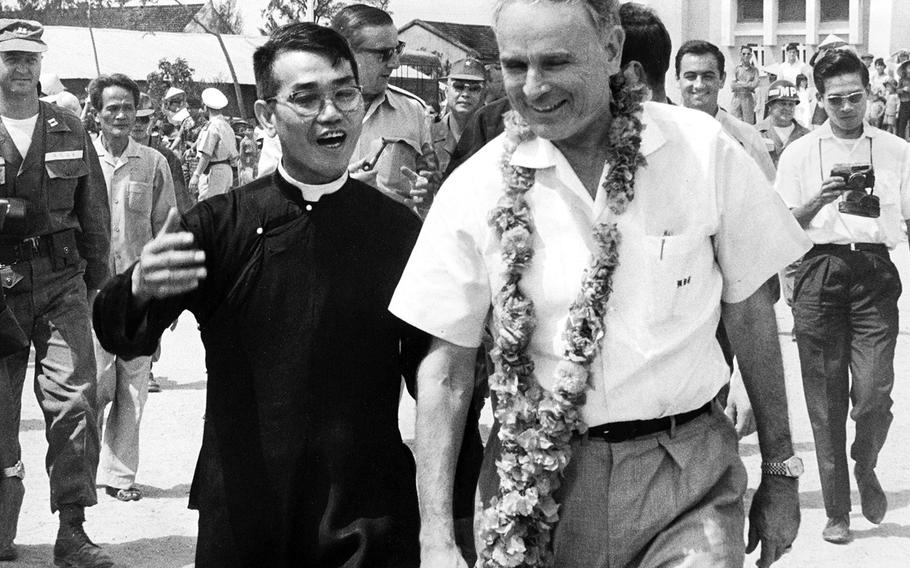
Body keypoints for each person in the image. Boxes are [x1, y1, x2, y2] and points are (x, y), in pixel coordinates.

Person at [391, 2, 810, 568]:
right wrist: (436, 536)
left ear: (612, 50)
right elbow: (446, 369)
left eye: (556, 62)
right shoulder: (475, 187)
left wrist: (781, 471)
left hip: (686, 480)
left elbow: (752, 311)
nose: (534, 88)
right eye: (516, 66)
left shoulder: (701, 150)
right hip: (538, 488)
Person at [93, 22, 428, 567]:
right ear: (266, 115)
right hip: (246, 506)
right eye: (306, 97)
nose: (332, 112)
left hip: (364, 514)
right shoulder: (220, 224)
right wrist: (136, 287)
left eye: (345, 93)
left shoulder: (398, 232)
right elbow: (122, 334)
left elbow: (437, 376)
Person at [775, 48, 910, 545]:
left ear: (869, 94)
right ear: (819, 98)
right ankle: (837, 511)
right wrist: (822, 198)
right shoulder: (798, 154)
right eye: (835, 100)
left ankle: (866, 464)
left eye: (855, 97)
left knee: (874, 392)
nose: (846, 107)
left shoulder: (897, 152)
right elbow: (782, 224)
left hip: (874, 272)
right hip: (820, 270)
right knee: (825, 401)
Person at [0, 19, 113, 567]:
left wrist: (99, 291)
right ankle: (1, 527)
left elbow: (94, 216)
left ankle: (73, 531)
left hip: (60, 283)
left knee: (74, 402)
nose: (21, 69)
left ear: (42, 65)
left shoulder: (69, 127)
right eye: (10, 57)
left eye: (30, 59)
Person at [258, 4, 439, 216]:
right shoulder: (294, 112)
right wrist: (336, 189)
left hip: (393, 242)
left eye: (397, 49)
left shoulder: (412, 111)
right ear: (346, 52)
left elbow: (431, 181)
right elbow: (268, 192)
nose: (396, 63)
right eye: (384, 53)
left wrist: (426, 195)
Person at [88, 73, 176, 503]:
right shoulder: (84, 158)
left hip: (140, 293)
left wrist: (168, 297)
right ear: (96, 113)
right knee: (95, 384)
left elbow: (167, 228)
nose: (120, 116)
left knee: (133, 386)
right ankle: (82, 470)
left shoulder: (153, 163)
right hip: (92, 292)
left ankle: (120, 476)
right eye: (111, 108)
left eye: (127, 108)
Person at [676, 39, 777, 181]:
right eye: (691, 76)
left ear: (722, 79)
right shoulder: (664, 130)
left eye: (708, 76)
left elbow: (769, 192)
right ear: (677, 79)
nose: (699, 85)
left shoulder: (746, 136)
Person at [131, 92, 194, 216]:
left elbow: (180, 198)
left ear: (152, 120)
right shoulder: (116, 155)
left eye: (143, 119)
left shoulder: (166, 157)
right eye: (134, 119)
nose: (138, 124)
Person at [431, 58, 487, 173]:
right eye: (459, 86)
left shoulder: (493, 138)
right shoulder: (428, 135)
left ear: (484, 95)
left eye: (474, 88)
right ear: (446, 92)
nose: (465, 94)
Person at [189, 87, 237, 201]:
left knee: (208, 207)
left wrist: (196, 175)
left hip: (214, 172)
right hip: (226, 170)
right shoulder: (226, 125)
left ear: (206, 107)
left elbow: (206, 153)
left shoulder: (212, 126)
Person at [756, 80, 811, 167]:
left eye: (791, 104)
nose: (787, 108)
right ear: (770, 105)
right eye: (783, 104)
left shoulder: (807, 136)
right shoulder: (755, 133)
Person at [731, 45, 760, 124]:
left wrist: (740, 83)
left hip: (748, 97)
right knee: (735, 122)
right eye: (744, 54)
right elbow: (733, 85)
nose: (746, 56)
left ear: (751, 55)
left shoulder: (754, 70)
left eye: (748, 54)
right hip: (736, 97)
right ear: (740, 54)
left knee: (748, 123)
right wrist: (748, 84)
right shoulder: (736, 69)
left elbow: (754, 84)